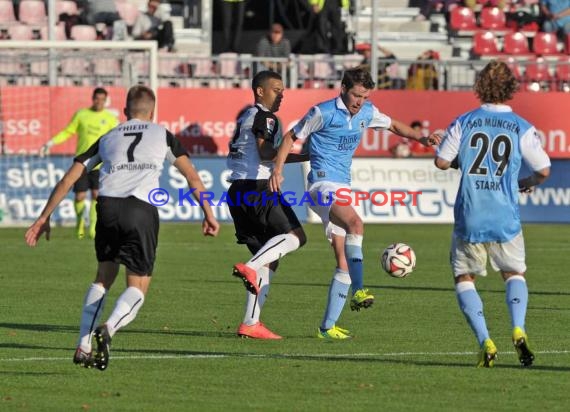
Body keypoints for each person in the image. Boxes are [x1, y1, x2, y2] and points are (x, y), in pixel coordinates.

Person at [25, 85, 220, 371]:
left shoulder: (108, 136)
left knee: (103, 277)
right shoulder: (161, 134)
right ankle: (109, 328)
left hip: (107, 208)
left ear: (125, 111)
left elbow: (69, 179)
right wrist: (208, 212)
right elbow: (192, 177)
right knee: (138, 285)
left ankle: (83, 345)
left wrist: (43, 218)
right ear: (151, 112)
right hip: (140, 209)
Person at [269, 66, 440, 339]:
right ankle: (359, 290)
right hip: (321, 185)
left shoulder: (367, 112)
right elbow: (291, 137)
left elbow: (394, 125)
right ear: (344, 89)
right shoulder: (322, 112)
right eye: (357, 95)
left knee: (344, 262)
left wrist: (422, 138)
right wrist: (278, 170)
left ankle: (327, 327)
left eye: (365, 96)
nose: (360, 102)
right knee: (356, 223)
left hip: (342, 188)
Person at [435, 60, 551, 367]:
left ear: (479, 87)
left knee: (464, 276)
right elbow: (543, 170)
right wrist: (524, 182)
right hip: (505, 214)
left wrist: (460, 160)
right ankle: (518, 328)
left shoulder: (466, 120)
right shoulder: (522, 126)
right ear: (511, 88)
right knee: (513, 273)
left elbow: (442, 162)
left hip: (470, 213)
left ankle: (485, 339)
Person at [228, 71, 307, 339]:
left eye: (283, 91)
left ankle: (251, 322)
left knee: (269, 260)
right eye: (276, 89)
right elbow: (265, 153)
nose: (281, 95)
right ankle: (249, 266)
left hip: (237, 191)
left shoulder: (245, 116)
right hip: (257, 187)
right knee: (296, 236)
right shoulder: (266, 117)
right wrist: (304, 156)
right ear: (260, 91)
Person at [39, 88, 118, 240]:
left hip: (101, 164)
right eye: (97, 98)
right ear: (92, 98)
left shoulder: (110, 118)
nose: (99, 102)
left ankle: (93, 228)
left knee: (97, 196)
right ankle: (80, 223)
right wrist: (51, 142)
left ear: (105, 100)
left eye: (102, 99)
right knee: (80, 196)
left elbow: (116, 139)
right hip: (82, 163)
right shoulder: (82, 114)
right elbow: (68, 131)